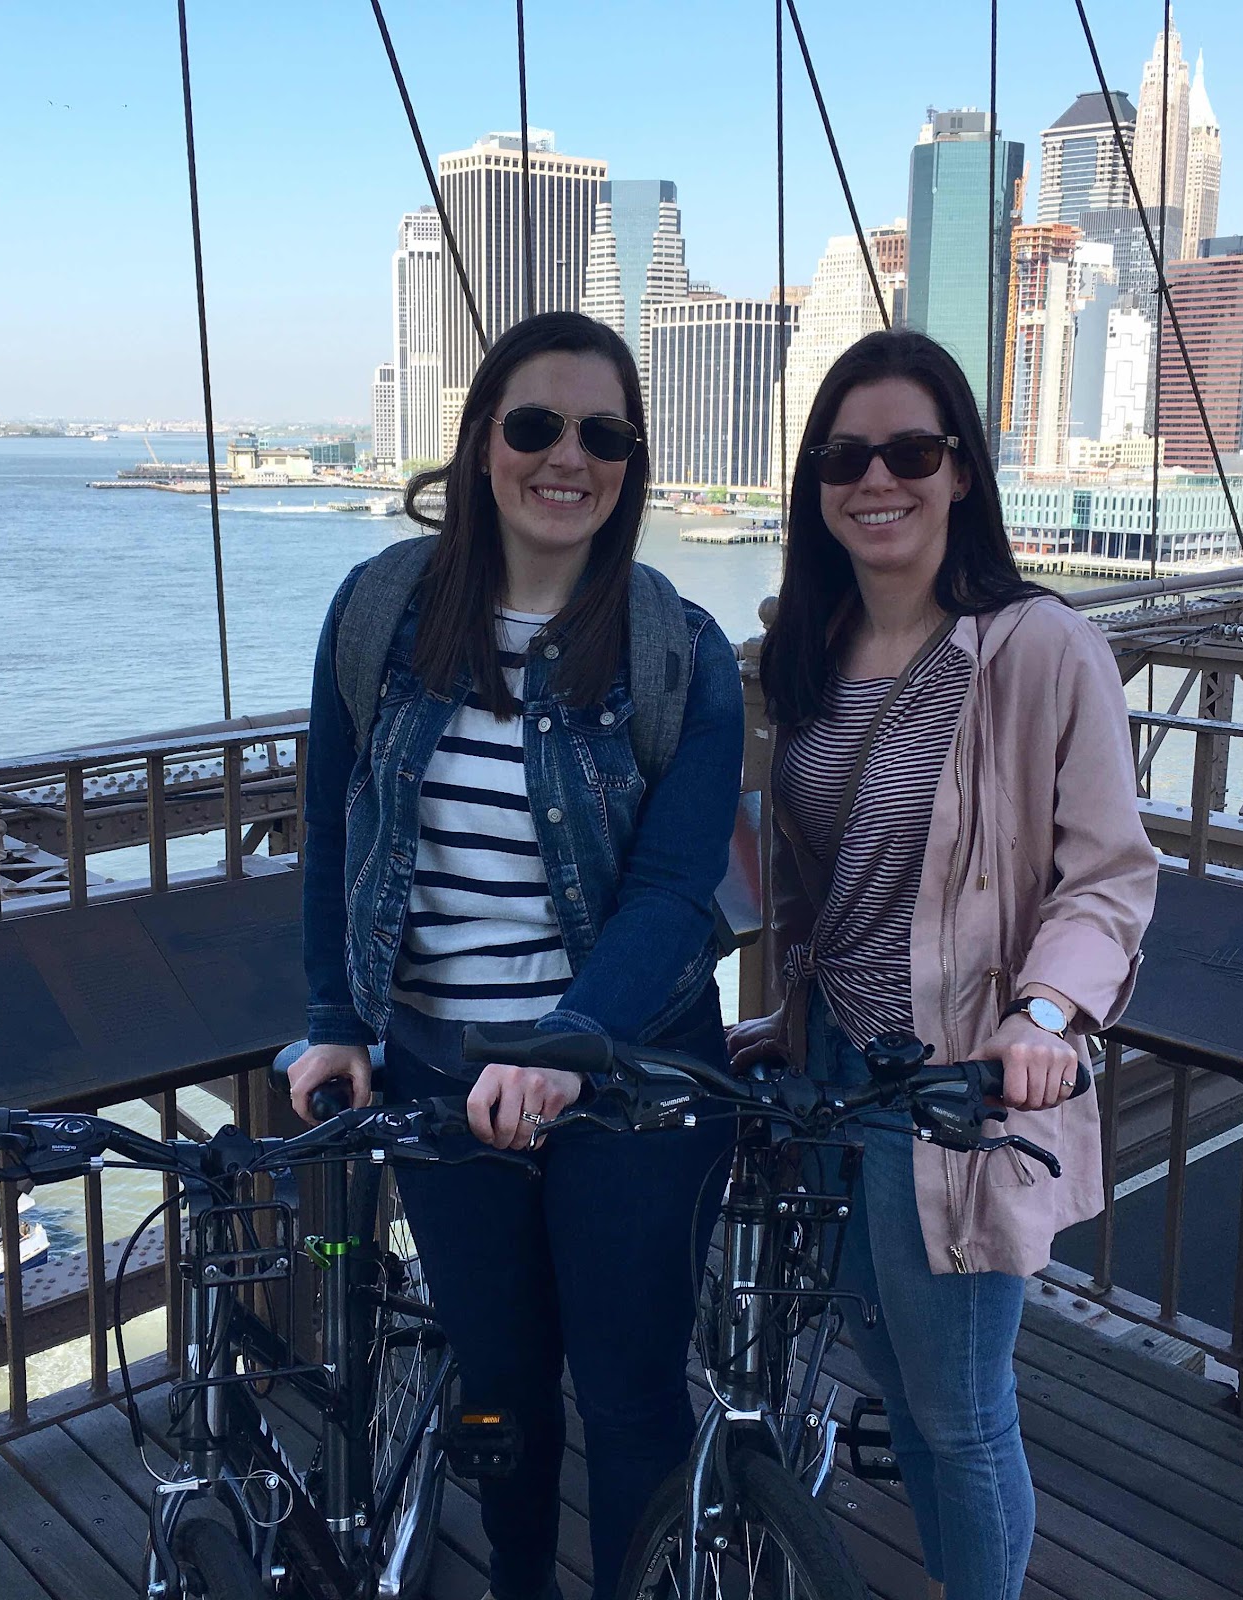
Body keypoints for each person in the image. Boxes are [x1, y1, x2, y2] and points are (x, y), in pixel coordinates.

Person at [286, 310, 744, 1600]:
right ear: (483, 441)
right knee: (498, 1387)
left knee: (631, 1389)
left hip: (631, 1081)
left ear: (632, 462)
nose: (567, 457)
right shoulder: (380, 613)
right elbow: (330, 826)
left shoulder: (680, 654)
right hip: (441, 1073)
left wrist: (564, 1046)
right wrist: (334, 1016)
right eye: (535, 424)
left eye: (603, 434)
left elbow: (672, 893)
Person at [729, 329, 1157, 1600]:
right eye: (844, 457)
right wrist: (782, 1017)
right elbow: (820, 885)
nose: (877, 479)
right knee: (900, 1391)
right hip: (830, 1074)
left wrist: (1045, 1014)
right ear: (816, 484)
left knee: (962, 1413)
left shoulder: (1038, 648)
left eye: (910, 452)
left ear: (961, 470)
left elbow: (1108, 873)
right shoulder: (803, 655)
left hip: (955, 1084)